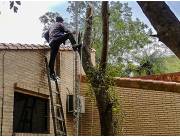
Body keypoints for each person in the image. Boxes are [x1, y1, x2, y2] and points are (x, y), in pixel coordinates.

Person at [44, 16, 81, 81]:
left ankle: (51, 74)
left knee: (52, 58)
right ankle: (74, 46)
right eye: (62, 21)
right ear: (61, 21)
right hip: (57, 40)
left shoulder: (51, 26)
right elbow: (67, 31)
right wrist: (73, 32)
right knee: (69, 34)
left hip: (53, 43)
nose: (63, 22)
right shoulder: (60, 24)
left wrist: (49, 41)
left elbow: (45, 35)